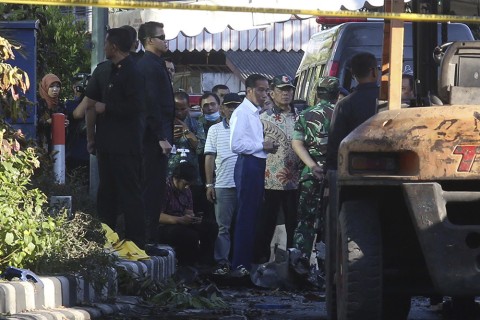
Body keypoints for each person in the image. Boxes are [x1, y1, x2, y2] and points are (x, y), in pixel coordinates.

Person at [84, 27, 146, 248]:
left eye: (106, 43)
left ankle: (136, 241)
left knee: (129, 193)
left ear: (115, 46)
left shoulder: (133, 72)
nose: (104, 47)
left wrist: (107, 107)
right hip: (108, 145)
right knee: (106, 194)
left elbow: (137, 106)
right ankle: (107, 239)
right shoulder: (110, 70)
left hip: (125, 146)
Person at [229, 74, 279, 275]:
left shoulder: (255, 113)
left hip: (257, 163)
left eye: (266, 90)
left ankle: (245, 263)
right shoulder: (242, 113)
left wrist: (266, 147)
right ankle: (240, 265)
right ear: (249, 90)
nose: (265, 94)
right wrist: (261, 145)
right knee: (246, 216)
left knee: (253, 216)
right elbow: (236, 145)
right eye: (260, 90)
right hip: (248, 165)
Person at [291, 76, 340, 272]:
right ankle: (328, 269)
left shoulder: (305, 114)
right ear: (337, 94)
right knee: (332, 222)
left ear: (317, 93)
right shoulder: (340, 112)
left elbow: (296, 143)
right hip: (336, 174)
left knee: (305, 221)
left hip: (311, 175)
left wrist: (312, 166)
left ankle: (298, 267)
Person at [254, 74, 301, 264]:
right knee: (265, 222)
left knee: (293, 223)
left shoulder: (301, 116)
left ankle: (293, 261)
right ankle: (260, 260)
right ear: (272, 93)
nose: (286, 94)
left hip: (295, 180)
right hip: (269, 179)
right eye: (281, 90)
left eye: (289, 89)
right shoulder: (262, 118)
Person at [137, 21, 175, 244]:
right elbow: (151, 104)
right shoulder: (148, 65)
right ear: (150, 40)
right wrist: (161, 137)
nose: (165, 40)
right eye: (161, 36)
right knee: (150, 190)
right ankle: (146, 241)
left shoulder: (155, 63)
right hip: (152, 140)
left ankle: (149, 239)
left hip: (158, 136)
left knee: (155, 189)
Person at [204, 93, 242, 275]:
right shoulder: (215, 129)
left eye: (236, 106)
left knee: (243, 225)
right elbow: (209, 157)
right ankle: (222, 262)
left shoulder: (250, 127)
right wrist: (209, 184)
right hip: (223, 184)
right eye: (229, 106)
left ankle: (241, 262)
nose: (233, 109)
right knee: (223, 227)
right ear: (223, 108)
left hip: (245, 184)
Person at [326, 52, 380, 171]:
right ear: (374, 72)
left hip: (353, 168)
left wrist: (332, 172)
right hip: (389, 168)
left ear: (353, 74)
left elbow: (335, 144)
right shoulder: (390, 100)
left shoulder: (344, 104)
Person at [158, 162, 217, 267]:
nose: (187, 187)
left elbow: (188, 210)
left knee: (211, 227)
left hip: (182, 221)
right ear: (177, 178)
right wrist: (179, 219)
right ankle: (186, 266)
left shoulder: (187, 191)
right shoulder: (164, 187)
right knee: (189, 236)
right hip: (165, 225)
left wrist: (193, 218)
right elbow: (158, 216)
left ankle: (205, 263)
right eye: (185, 183)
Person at [168, 91, 206, 213]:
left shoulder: (196, 124)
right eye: (176, 109)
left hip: (191, 178)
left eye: (183, 109)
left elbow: (200, 149)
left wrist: (187, 131)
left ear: (189, 107)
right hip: (169, 176)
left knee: (192, 212)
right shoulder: (164, 123)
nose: (179, 112)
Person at [65, 73, 90, 176]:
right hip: (76, 151)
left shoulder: (95, 100)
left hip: (90, 151)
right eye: (77, 86)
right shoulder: (70, 104)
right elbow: (77, 114)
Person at [37, 73, 67, 154]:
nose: (55, 89)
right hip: (40, 146)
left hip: (58, 147)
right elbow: (35, 124)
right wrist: (48, 122)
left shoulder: (61, 105)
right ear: (45, 87)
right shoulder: (38, 104)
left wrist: (66, 123)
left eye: (57, 86)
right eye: (51, 86)